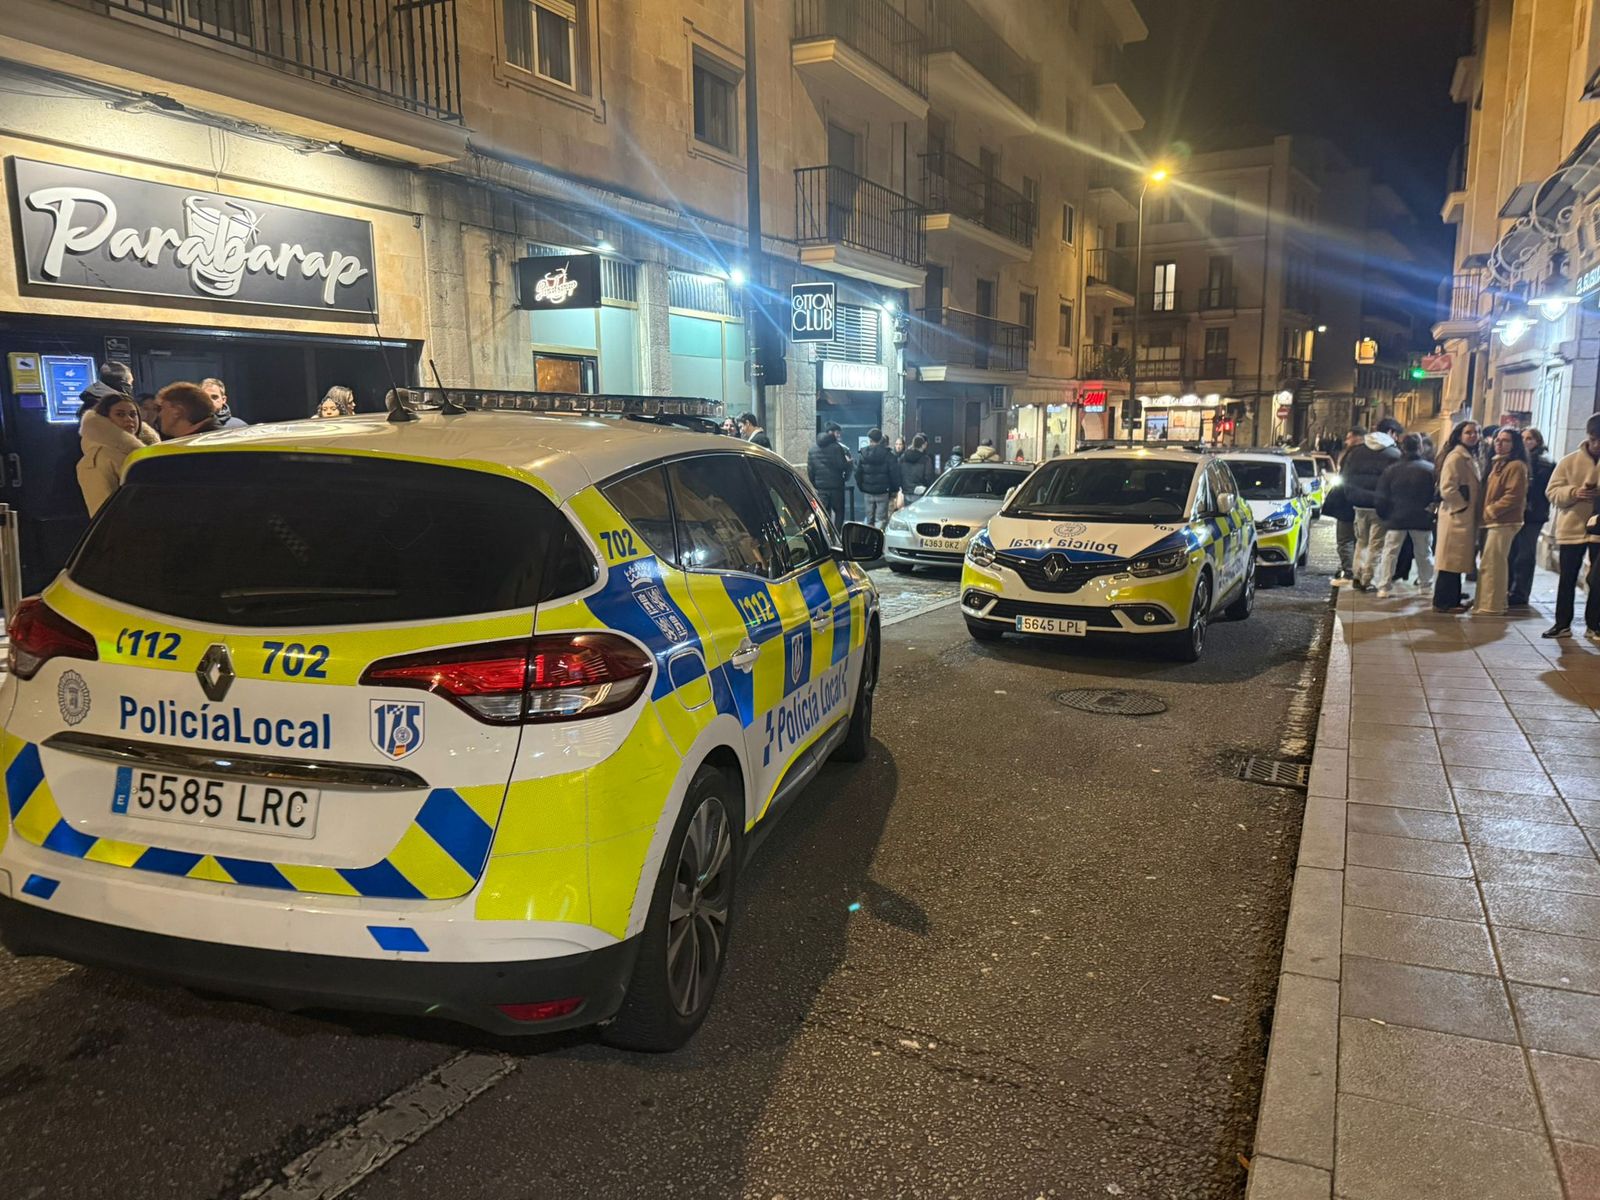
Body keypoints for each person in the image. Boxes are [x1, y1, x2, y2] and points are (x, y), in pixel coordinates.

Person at [1543, 411, 1600, 639]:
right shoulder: (1569, 461)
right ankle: (1562, 623)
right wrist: (1574, 492)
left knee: (1596, 580)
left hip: (1598, 530)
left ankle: (1594, 623)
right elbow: (1552, 491)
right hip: (1572, 527)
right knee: (1567, 577)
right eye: (1594, 439)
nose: (1596, 445)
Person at [1474, 427, 1530, 616]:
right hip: (1493, 521)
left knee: (1494, 563)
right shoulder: (1497, 464)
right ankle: (1486, 601)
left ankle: (1492, 605)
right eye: (1497, 440)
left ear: (1514, 445)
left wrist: (1492, 510)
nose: (1499, 443)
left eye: (1505, 441)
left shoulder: (1516, 466)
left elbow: (1514, 495)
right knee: (1489, 562)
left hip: (1504, 521)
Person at [1343, 417, 1403, 590]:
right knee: (1376, 544)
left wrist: (1351, 495)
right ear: (1391, 433)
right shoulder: (1394, 454)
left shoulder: (1356, 451)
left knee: (1361, 541)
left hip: (1358, 503)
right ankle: (1367, 579)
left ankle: (1357, 574)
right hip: (1380, 506)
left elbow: (1346, 476)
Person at [76, 392, 159, 515]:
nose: (129, 419)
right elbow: (102, 511)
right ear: (105, 419)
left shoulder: (146, 451)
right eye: (120, 414)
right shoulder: (99, 457)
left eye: (133, 414)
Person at [1373, 434, 1436, 599]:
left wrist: (1385, 515)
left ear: (1402, 448)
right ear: (1420, 447)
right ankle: (1425, 585)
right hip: (1421, 517)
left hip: (1396, 518)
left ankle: (1384, 586)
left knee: (1390, 553)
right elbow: (1436, 495)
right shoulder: (1429, 469)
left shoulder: (1391, 470)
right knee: (1424, 553)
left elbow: (1381, 496)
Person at [1433, 421, 1483, 613]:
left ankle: (1452, 596)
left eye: (1476, 432)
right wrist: (1461, 506)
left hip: (1463, 517)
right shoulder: (1456, 457)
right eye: (1469, 432)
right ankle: (1444, 601)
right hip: (1456, 517)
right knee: (1450, 561)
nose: (1473, 435)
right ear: (1459, 435)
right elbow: (1447, 488)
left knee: (1455, 561)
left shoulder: (1468, 456)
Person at [1508, 427, 1554, 607]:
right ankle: (1509, 587)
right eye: (1524, 438)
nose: (1527, 441)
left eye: (1530, 438)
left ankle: (1520, 591)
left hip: (1533, 515)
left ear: (1538, 442)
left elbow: (1545, 491)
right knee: (1511, 552)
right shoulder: (1515, 460)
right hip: (1515, 513)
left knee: (1525, 554)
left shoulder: (1545, 464)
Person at [1329, 427, 1365, 582]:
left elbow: (1345, 479)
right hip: (1364, 503)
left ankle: (1350, 571)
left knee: (1345, 539)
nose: (1346, 440)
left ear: (1358, 438)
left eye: (1349, 437)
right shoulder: (1367, 454)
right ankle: (1357, 569)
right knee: (1359, 539)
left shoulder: (1351, 455)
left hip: (1347, 503)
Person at [854, 427, 901, 530]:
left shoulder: (863, 453)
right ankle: (878, 540)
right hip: (883, 492)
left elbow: (858, 473)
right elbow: (894, 474)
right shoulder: (889, 455)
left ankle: (868, 540)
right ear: (881, 439)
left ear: (869, 439)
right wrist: (894, 490)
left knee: (869, 518)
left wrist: (862, 487)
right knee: (880, 519)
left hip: (868, 492)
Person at [807, 422, 851, 526]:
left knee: (823, 514)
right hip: (836, 487)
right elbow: (842, 465)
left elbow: (810, 471)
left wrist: (816, 485)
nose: (839, 435)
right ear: (830, 433)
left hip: (822, 488)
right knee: (839, 512)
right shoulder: (837, 448)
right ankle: (837, 536)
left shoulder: (813, 449)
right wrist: (848, 463)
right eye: (837, 433)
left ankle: (827, 536)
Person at [156, 382, 222, 439]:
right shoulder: (218, 438)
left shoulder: (198, 449)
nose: (160, 414)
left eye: (163, 408)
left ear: (177, 412)